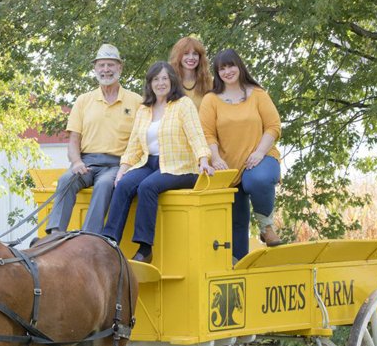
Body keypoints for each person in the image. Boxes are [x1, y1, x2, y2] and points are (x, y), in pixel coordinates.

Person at [102, 61, 214, 264]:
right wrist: (123, 169)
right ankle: (109, 241)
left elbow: (196, 135)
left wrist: (203, 159)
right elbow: (135, 144)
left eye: (165, 78)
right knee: (124, 184)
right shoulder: (144, 109)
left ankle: (145, 249)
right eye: (156, 79)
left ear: (172, 81)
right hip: (149, 163)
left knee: (147, 187)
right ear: (150, 83)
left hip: (180, 166)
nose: (161, 83)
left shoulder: (183, 104)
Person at [43, 44, 143, 236]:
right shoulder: (83, 100)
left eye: (111, 65)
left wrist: (127, 166)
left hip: (118, 164)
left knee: (105, 184)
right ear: (95, 69)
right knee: (66, 179)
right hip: (87, 162)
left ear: (120, 68)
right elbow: (73, 140)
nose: (106, 70)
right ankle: (55, 233)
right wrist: (77, 162)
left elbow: (141, 140)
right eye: (102, 65)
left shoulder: (136, 100)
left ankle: (89, 236)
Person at [199, 48, 283, 260]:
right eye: (222, 68)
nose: (227, 71)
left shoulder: (257, 94)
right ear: (217, 73)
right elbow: (207, 134)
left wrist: (259, 152)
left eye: (231, 66)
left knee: (258, 179)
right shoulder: (211, 100)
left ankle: (266, 226)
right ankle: (237, 266)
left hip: (262, 159)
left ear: (240, 66)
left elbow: (273, 126)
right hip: (229, 167)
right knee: (236, 221)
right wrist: (216, 158)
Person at [168, 36, 213, 110]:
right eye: (186, 53)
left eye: (195, 54)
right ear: (178, 56)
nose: (191, 57)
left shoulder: (209, 82)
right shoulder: (169, 82)